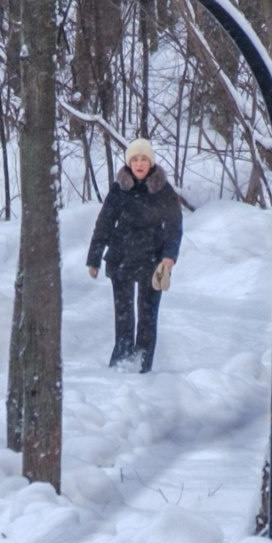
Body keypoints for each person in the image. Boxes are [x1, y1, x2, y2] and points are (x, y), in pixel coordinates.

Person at [86, 137, 183, 372]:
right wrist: (94, 257)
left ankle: (142, 362)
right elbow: (104, 223)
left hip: (153, 259)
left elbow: (174, 226)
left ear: (151, 163)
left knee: (148, 315)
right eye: (135, 159)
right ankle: (121, 359)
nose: (139, 164)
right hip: (122, 258)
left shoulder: (163, 191)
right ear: (129, 163)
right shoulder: (120, 189)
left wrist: (169, 256)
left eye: (144, 159)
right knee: (124, 315)